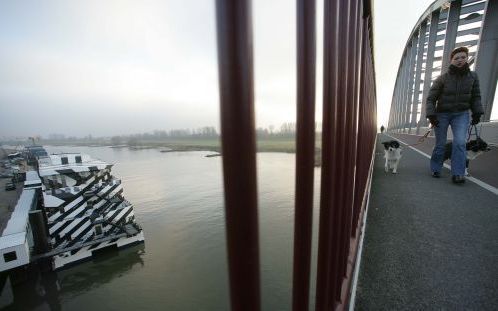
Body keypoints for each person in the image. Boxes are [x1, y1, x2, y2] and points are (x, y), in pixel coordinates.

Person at [425, 46, 483, 184]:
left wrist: (477, 113)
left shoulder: (473, 76)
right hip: (442, 114)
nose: (460, 60)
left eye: (463, 57)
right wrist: (432, 115)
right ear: (451, 61)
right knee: (440, 144)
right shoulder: (442, 78)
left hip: (461, 114)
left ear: (467, 59)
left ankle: (458, 173)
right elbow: (431, 99)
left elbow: (476, 96)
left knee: (460, 143)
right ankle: (435, 168)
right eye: (456, 58)